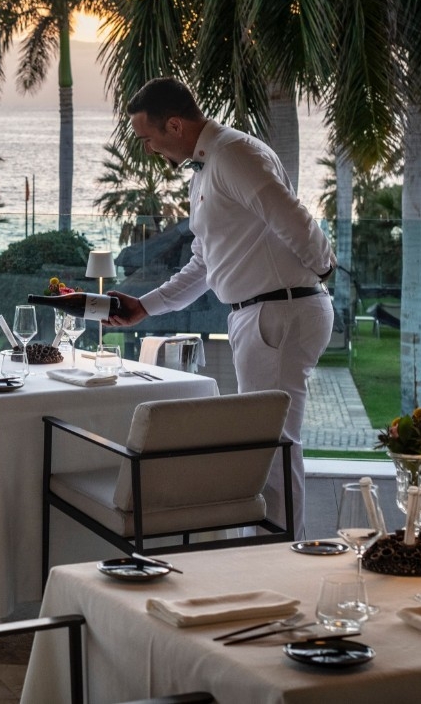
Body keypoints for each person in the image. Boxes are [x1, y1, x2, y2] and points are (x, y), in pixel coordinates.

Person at [107, 77, 335, 539]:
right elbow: (205, 263)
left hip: (278, 312)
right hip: (264, 313)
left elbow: (293, 217)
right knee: (269, 441)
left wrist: (324, 271)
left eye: (148, 138)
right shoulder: (208, 167)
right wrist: (145, 307)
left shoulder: (233, 155)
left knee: (271, 443)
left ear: (174, 124)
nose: (148, 149)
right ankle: (275, 549)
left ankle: (278, 556)